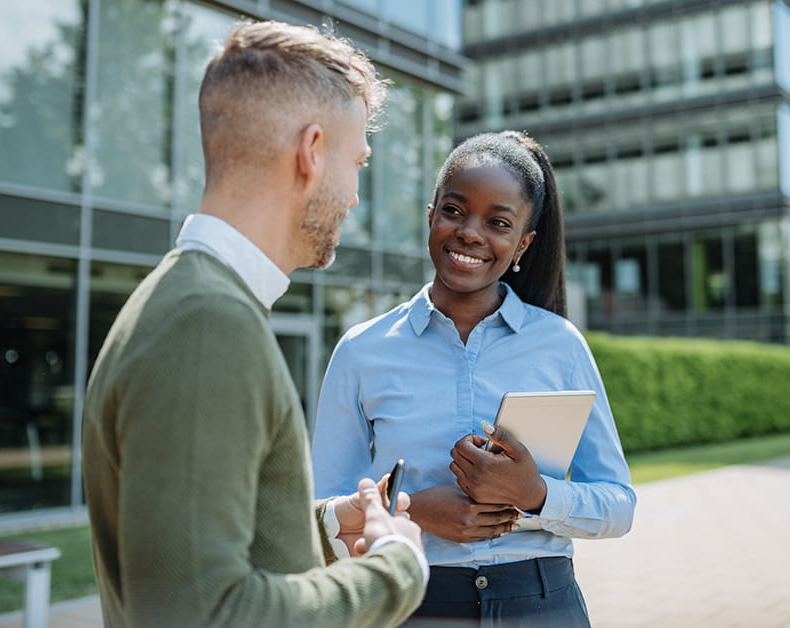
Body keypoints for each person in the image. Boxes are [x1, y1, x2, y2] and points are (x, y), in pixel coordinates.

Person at [82, 21, 428, 627]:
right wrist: (395, 571)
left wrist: (318, 526)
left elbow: (199, 559)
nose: (353, 198)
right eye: (356, 163)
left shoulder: (191, 301)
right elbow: (202, 613)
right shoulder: (206, 324)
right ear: (311, 152)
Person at [312, 131, 636, 626]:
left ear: (523, 243)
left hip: (543, 603)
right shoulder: (362, 351)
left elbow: (619, 504)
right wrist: (412, 510)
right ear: (431, 216)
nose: (470, 232)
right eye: (454, 210)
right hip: (411, 603)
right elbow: (321, 512)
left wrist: (535, 494)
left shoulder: (561, 345)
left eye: (498, 222)